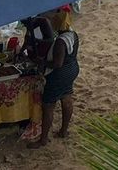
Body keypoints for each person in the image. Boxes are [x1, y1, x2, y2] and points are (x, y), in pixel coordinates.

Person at [29, 9, 79, 149]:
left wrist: (42, 62)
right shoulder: (73, 35)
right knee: (66, 97)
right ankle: (64, 131)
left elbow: (57, 64)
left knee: (48, 105)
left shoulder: (60, 42)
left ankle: (43, 139)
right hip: (72, 68)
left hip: (59, 74)